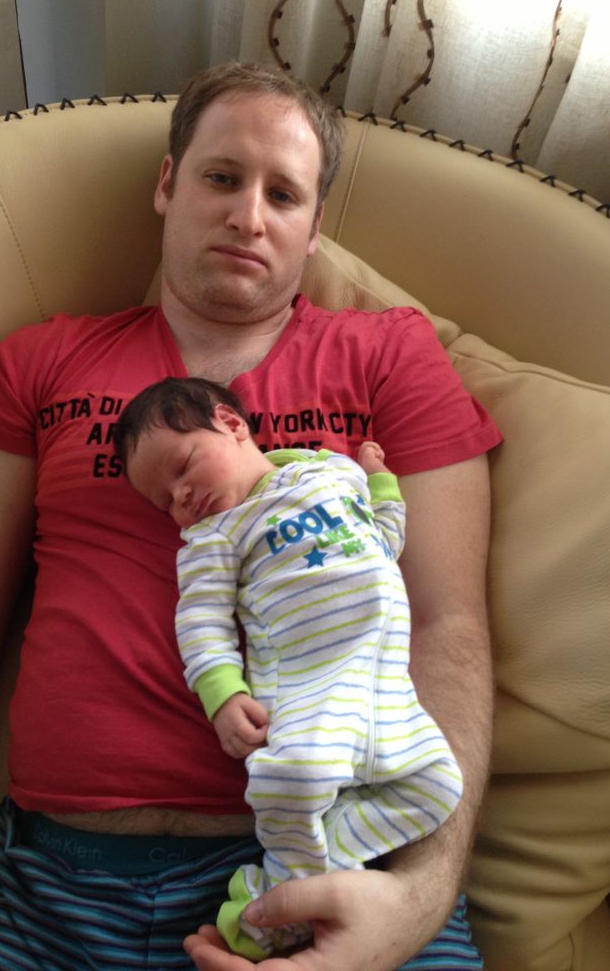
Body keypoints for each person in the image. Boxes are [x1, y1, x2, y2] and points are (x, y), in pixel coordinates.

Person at [0, 60, 501, 971]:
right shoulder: (40, 363)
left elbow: (447, 624)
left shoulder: (389, 356)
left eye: (283, 195)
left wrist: (416, 900)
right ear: (168, 185)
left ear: (313, 229)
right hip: (52, 896)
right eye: (222, 177)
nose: (248, 216)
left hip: (329, 867)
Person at [114, 376, 464, 960]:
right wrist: (222, 695)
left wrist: (380, 481)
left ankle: (312, 870)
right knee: (291, 780)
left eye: (183, 466)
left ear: (231, 423)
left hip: (381, 683)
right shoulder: (215, 534)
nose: (181, 497)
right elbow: (200, 620)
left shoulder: (331, 470)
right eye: (164, 500)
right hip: (308, 683)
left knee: (438, 787)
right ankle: (273, 907)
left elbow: (385, 542)